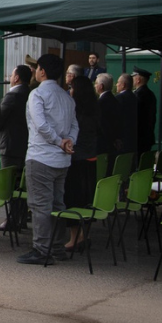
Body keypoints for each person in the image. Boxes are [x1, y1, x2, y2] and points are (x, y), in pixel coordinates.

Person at [17, 53, 78, 265]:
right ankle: (57, 247)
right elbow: (75, 125)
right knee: (58, 204)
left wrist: (60, 141)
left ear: (42, 71)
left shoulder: (37, 94)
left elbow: (41, 125)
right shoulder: (66, 97)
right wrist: (69, 141)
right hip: (62, 159)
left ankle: (42, 249)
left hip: (41, 157)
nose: (35, 71)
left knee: (40, 206)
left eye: (37, 68)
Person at [0, 64, 31, 233]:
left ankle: (12, 219)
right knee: (21, 185)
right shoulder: (29, 93)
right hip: (25, 145)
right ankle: (21, 218)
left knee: (11, 185)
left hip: (10, 146)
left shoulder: (12, 96)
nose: (9, 77)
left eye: (11, 75)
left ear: (16, 78)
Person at [64, 72, 100, 251]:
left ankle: (74, 238)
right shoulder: (95, 109)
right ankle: (85, 234)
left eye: (71, 88)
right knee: (87, 198)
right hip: (91, 158)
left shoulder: (76, 112)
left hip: (76, 159)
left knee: (73, 198)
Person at [133, 67, 157, 155]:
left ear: (138, 80)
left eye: (134, 77)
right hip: (147, 136)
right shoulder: (151, 94)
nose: (132, 79)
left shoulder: (138, 95)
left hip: (138, 138)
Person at [95, 73, 120, 156]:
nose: (95, 86)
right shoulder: (115, 100)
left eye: (96, 83)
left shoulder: (100, 103)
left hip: (102, 143)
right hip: (113, 142)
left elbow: (101, 123)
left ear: (101, 86)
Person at [114, 73, 138, 155]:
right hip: (133, 137)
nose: (116, 84)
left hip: (121, 139)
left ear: (123, 85)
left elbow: (117, 119)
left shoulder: (119, 98)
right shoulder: (135, 97)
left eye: (118, 82)